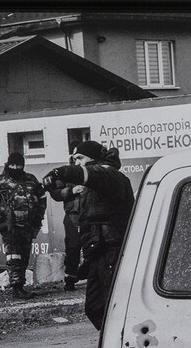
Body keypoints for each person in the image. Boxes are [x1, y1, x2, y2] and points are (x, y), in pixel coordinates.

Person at [44, 140, 134, 330]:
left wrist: (61, 172)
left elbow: (87, 174)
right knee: (94, 307)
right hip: (97, 251)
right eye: (74, 159)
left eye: (80, 158)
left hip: (112, 248)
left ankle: (123, 346)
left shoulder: (108, 174)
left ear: (94, 158)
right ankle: (114, 339)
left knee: (115, 305)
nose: (76, 162)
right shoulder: (94, 182)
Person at [0, 153, 47, 300]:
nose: (16, 168)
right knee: (14, 256)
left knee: (24, 256)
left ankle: (21, 286)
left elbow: (42, 198)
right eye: (13, 165)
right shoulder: (0, 181)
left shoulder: (31, 179)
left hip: (28, 225)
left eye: (19, 165)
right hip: (10, 226)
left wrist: (38, 216)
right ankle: (16, 288)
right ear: (8, 164)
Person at [47, 145, 84, 291]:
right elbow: (56, 193)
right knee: (73, 246)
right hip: (73, 215)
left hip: (89, 214)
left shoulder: (91, 171)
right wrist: (71, 190)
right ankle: (70, 278)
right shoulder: (65, 173)